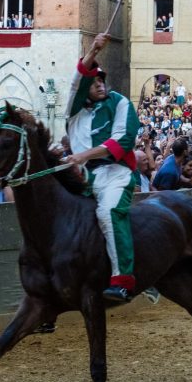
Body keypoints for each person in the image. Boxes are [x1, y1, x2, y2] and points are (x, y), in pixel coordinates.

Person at [65, 32, 140, 303]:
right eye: (94, 82)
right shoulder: (74, 110)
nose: (99, 84)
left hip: (115, 173)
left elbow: (122, 140)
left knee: (108, 213)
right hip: (82, 177)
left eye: (101, 81)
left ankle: (123, 281)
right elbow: (77, 80)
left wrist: (82, 155)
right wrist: (93, 50)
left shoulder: (120, 102)